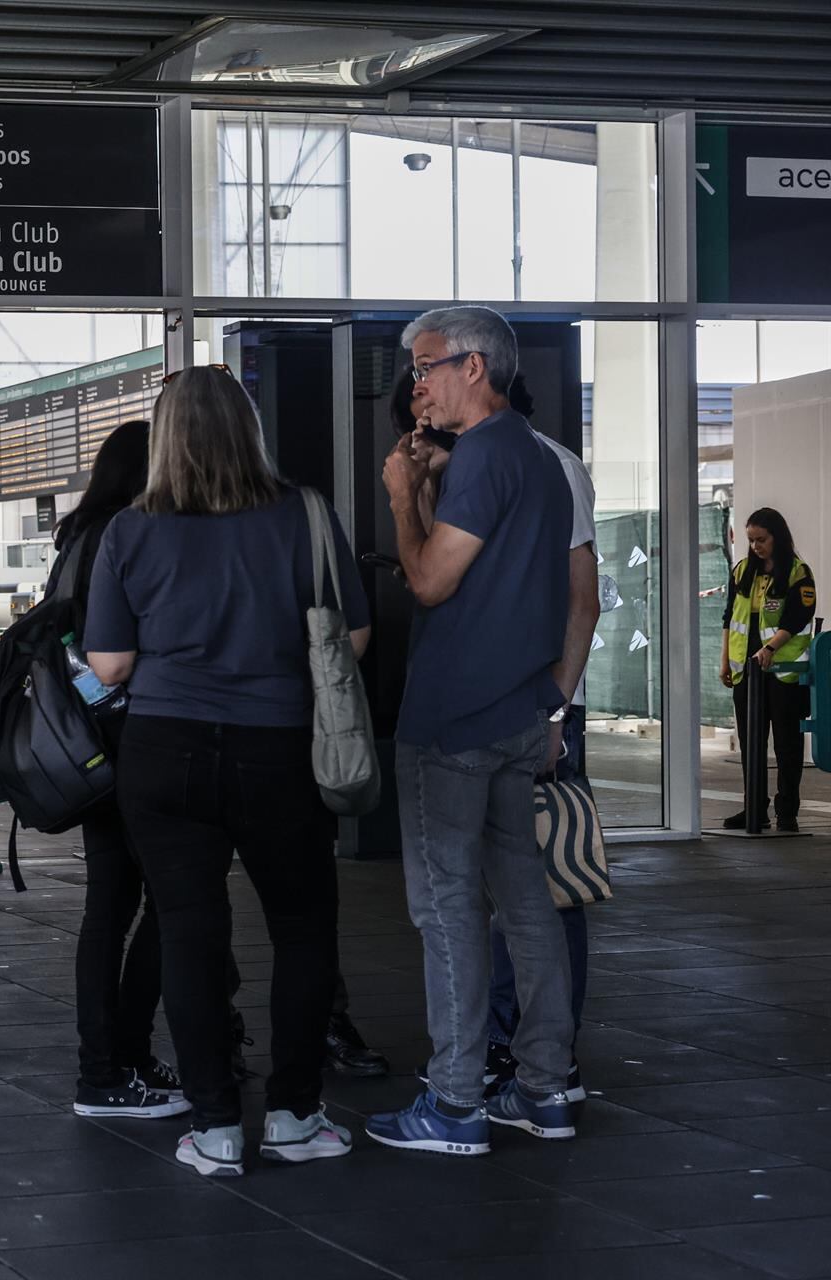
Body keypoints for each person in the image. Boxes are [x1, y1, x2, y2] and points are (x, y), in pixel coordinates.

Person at [85, 369, 367, 1177]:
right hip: (280, 748)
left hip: (164, 751)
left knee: (189, 933)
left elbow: (109, 661)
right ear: (251, 428)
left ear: (165, 436)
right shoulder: (306, 514)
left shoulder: (130, 532)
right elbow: (353, 638)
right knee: (304, 929)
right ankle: (294, 1115)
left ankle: (213, 1127)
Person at [366, 306, 577, 1157]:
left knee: (447, 909)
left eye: (426, 367)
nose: (416, 385)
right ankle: (546, 1087)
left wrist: (400, 498)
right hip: (520, 710)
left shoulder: (486, 457)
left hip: (456, 719)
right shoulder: (537, 456)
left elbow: (429, 582)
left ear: (474, 368)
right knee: (526, 907)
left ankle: (454, 1104)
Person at [46, 422, 184, 1122]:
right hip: (131, 736)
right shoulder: (126, 534)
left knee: (113, 906)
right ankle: (111, 1064)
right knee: (165, 900)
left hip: (88, 742)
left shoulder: (76, 535)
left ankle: (113, 1063)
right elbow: (116, 653)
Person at [720, 507, 815, 833]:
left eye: (762, 539)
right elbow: (730, 618)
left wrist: (771, 648)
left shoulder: (798, 572)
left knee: (787, 743)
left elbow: (797, 618)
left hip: (784, 670)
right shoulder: (743, 570)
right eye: (751, 540)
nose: (757, 546)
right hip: (747, 670)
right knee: (751, 742)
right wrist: (724, 661)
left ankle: (787, 811)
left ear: (778, 537)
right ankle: (755, 809)